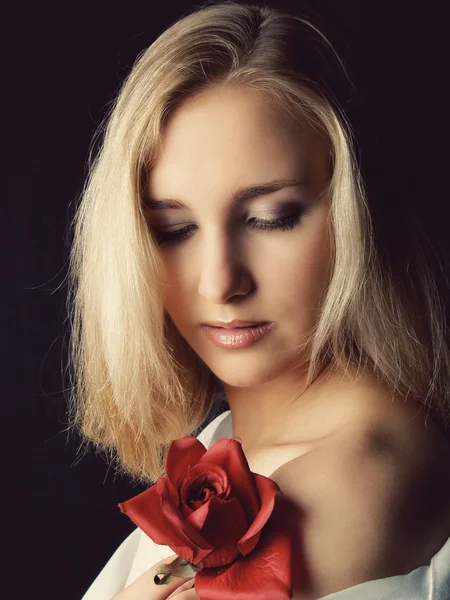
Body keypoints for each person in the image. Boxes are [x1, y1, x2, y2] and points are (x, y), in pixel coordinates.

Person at [67, 1, 450, 598]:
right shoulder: (232, 446)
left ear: (358, 213)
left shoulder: (351, 477)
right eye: (174, 230)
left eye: (271, 219)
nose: (221, 283)